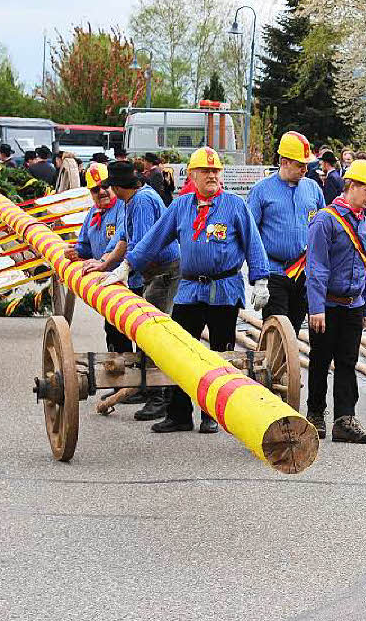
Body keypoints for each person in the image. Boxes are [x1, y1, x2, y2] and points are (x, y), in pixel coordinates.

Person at [104, 147, 268, 434]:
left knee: (219, 354)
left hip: (224, 290)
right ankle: (179, 414)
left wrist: (261, 279)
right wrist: (127, 266)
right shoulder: (181, 206)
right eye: (205, 171)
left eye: (216, 170)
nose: (212, 176)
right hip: (190, 289)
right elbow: (154, 238)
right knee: (179, 352)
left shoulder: (234, 205)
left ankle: (211, 415)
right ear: (192, 175)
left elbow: (254, 243)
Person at [85, 160, 181, 420]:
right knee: (142, 332)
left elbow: (144, 244)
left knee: (152, 332)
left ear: (116, 187)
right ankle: (142, 385)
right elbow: (125, 240)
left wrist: (124, 269)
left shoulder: (142, 202)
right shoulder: (130, 202)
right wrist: (105, 264)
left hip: (164, 270)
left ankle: (160, 396)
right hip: (152, 270)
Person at [305, 159, 366, 443]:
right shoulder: (325, 220)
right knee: (320, 360)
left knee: (348, 362)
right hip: (327, 305)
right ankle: (315, 414)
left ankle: (345, 419)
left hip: (353, 305)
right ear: (351, 186)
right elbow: (316, 267)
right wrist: (316, 308)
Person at [247, 131, 325, 336]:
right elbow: (250, 236)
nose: (305, 169)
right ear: (284, 162)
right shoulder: (261, 191)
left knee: (294, 331)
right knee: (277, 333)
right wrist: (258, 278)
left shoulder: (313, 189)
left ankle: (286, 367)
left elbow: (323, 229)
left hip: (303, 274)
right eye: (300, 165)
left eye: (307, 164)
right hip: (274, 273)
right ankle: (273, 366)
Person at [65, 162, 130, 353]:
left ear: (113, 186)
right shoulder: (92, 213)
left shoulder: (122, 207)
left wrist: (103, 260)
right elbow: (84, 245)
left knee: (128, 328)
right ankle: (121, 375)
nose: (101, 192)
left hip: (129, 279)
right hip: (107, 283)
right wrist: (75, 252)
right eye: (95, 190)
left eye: (104, 186)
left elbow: (121, 237)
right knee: (112, 330)